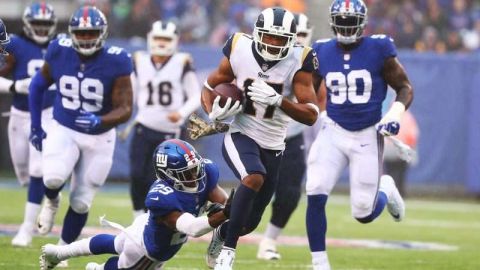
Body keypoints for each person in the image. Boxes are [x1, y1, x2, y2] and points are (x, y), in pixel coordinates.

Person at [201, 7, 319, 270]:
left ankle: (219, 227)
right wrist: (213, 114)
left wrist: (279, 101)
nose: (274, 43)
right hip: (242, 132)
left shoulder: (300, 59)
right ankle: (228, 253)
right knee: (254, 176)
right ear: (257, 34)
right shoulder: (239, 46)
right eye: (269, 37)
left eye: (280, 39)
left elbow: (311, 114)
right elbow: (210, 85)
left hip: (275, 142)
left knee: (248, 222)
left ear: (292, 39)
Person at [305, 1, 414, 269]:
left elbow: (404, 87)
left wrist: (393, 115)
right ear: (332, 22)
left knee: (363, 213)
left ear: (363, 23)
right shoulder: (321, 50)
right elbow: (306, 90)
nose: (345, 26)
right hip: (333, 129)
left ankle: (386, 189)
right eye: (340, 20)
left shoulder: (379, 48)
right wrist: (307, 110)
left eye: (350, 20)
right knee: (315, 190)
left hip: (367, 133)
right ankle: (320, 263)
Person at [28, 5, 133, 266]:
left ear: (102, 33)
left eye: (91, 33)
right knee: (52, 178)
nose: (86, 38)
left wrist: (102, 119)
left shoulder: (118, 59)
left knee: (82, 202)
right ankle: (51, 202)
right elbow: (38, 85)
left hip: (100, 136)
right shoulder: (59, 49)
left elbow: (125, 108)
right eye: (81, 33)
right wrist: (34, 125)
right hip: (65, 126)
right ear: (72, 33)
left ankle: (61, 251)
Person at [40, 139, 233, 270]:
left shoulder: (205, 173)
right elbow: (192, 228)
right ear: (169, 175)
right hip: (148, 250)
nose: (195, 176)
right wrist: (224, 214)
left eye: (195, 168)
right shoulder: (162, 197)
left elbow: (222, 200)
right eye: (187, 173)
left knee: (116, 242)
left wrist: (228, 206)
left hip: (144, 227)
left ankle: (57, 252)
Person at [122, 20, 201, 218]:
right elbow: (129, 92)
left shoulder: (182, 61)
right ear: (150, 39)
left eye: (166, 39)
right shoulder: (139, 59)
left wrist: (181, 113)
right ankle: (137, 218)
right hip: (143, 126)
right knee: (137, 175)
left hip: (170, 131)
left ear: (175, 41)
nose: (162, 43)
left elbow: (196, 95)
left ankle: (153, 217)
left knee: (156, 178)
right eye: (158, 38)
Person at [256, 12, 314, 260]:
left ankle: (269, 240)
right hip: (259, 134)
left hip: (292, 136)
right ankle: (226, 231)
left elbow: (315, 103)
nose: (298, 41)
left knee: (289, 193)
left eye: (302, 36)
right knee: (253, 190)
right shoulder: (260, 54)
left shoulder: (308, 61)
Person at [0, 2, 57, 247]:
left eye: (46, 24)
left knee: (37, 171)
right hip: (19, 114)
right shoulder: (16, 45)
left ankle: (26, 229)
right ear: (27, 24)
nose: (42, 29)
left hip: (47, 115)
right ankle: (48, 195)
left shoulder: (61, 46)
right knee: (24, 173)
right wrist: (13, 86)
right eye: (38, 24)